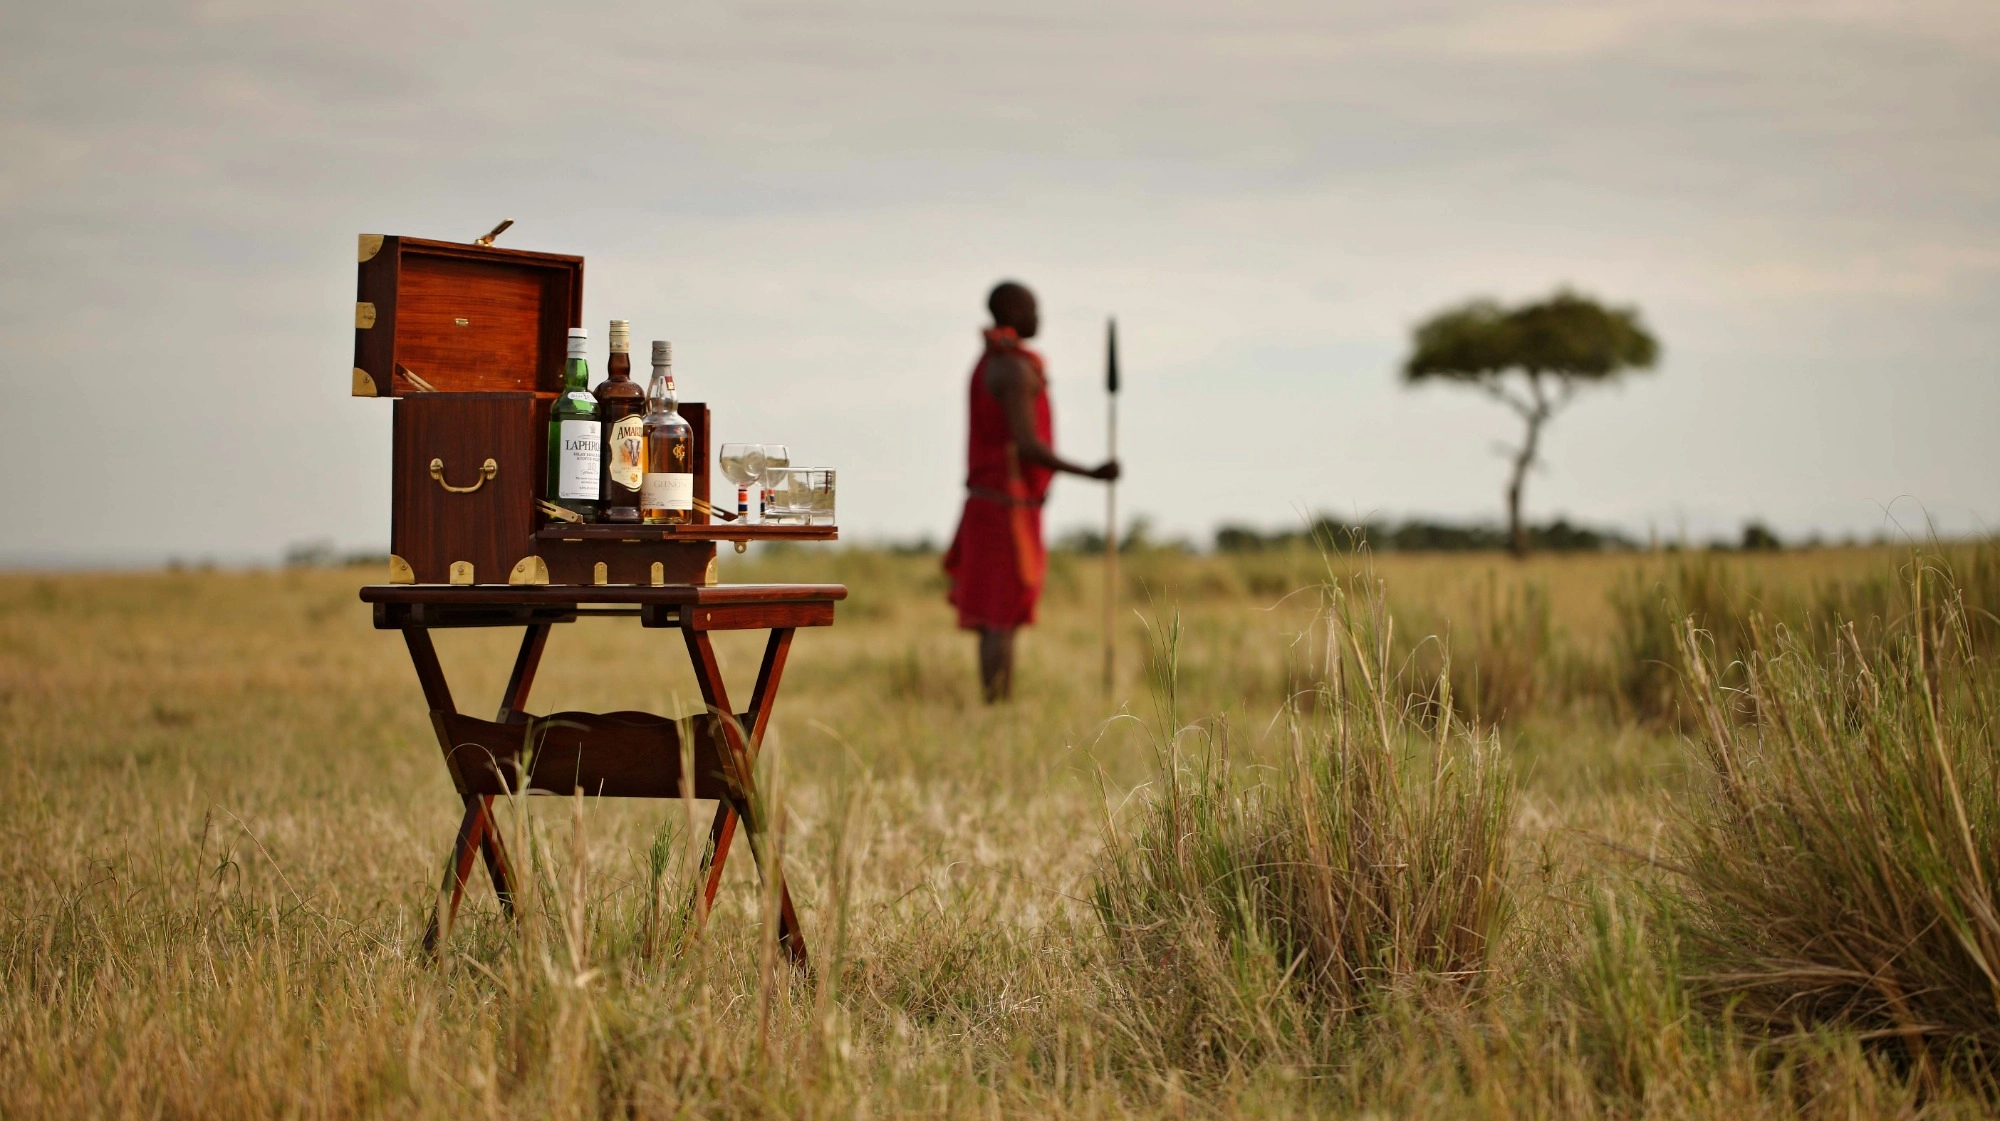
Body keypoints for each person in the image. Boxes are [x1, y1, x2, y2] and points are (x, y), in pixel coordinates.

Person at [943, 281, 1120, 702]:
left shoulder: (995, 362)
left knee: (999, 616)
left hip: (998, 504)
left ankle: (997, 707)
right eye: (1033, 309)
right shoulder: (1011, 368)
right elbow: (1028, 445)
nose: (1038, 318)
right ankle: (996, 710)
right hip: (1004, 509)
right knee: (998, 616)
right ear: (1014, 312)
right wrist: (1092, 473)